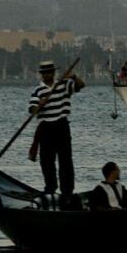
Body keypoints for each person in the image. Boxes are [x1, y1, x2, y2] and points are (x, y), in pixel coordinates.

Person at [28, 60, 85, 198]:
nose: (48, 75)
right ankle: (50, 188)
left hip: (62, 125)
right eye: (45, 73)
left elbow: (81, 85)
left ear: (53, 73)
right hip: (46, 128)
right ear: (42, 75)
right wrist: (40, 105)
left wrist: (73, 77)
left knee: (65, 160)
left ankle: (67, 191)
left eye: (50, 72)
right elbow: (32, 110)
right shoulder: (38, 91)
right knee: (47, 161)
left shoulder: (63, 85)